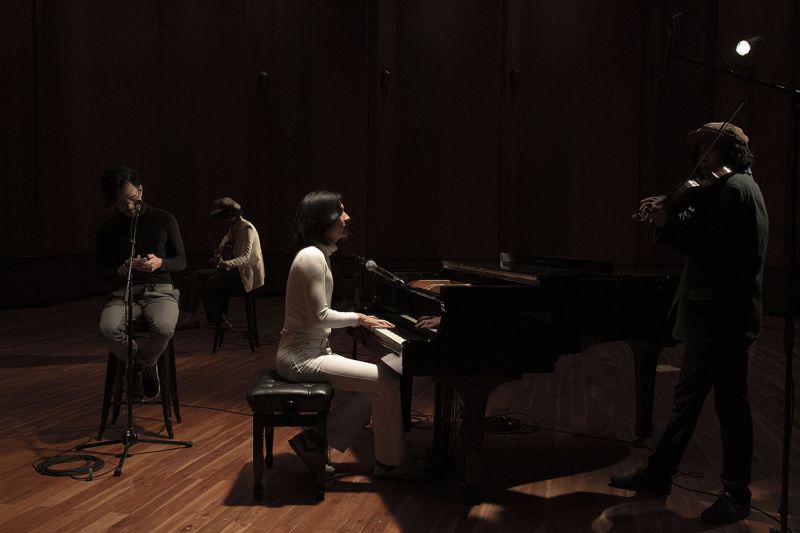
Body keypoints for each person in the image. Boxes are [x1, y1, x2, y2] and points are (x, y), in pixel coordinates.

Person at [610, 122, 769, 525]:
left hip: (722, 318)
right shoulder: (729, 188)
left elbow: (711, 249)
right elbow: (703, 235)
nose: (701, 157)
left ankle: (736, 494)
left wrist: (668, 224)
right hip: (718, 316)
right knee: (693, 402)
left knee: (730, 408)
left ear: (730, 151)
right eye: (700, 149)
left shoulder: (735, 190)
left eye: (708, 149)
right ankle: (660, 475)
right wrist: (672, 214)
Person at [275, 190, 420, 478]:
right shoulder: (312, 257)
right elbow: (320, 316)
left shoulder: (318, 254)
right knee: (387, 382)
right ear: (324, 219)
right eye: (340, 211)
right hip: (300, 357)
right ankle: (389, 465)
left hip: (309, 351)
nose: (347, 217)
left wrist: (360, 320)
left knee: (383, 380)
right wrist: (360, 319)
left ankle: (315, 441)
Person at [97, 166, 186, 400]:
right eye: (120, 203)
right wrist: (120, 270)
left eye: (132, 199)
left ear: (141, 190)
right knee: (108, 328)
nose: (128, 206)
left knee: (164, 328)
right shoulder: (109, 227)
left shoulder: (164, 219)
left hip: (161, 291)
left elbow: (181, 261)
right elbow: (99, 271)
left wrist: (160, 263)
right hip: (124, 292)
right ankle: (146, 363)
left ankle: (136, 368)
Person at [176, 197, 265, 330]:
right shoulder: (232, 229)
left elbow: (245, 257)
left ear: (231, 215)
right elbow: (224, 247)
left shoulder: (246, 228)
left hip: (245, 274)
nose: (221, 221)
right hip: (233, 270)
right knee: (196, 275)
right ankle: (191, 316)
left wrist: (225, 264)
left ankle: (217, 319)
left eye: (223, 217)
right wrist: (218, 255)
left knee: (210, 282)